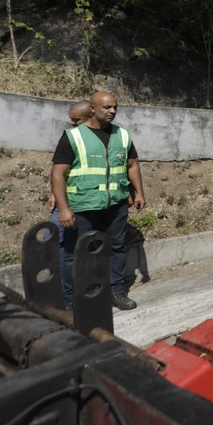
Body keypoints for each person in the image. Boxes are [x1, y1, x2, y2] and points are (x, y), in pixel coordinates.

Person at [51, 91, 146, 311]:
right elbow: (57, 174)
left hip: (116, 206)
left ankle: (116, 292)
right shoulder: (73, 136)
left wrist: (139, 192)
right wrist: (64, 208)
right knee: (72, 253)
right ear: (92, 109)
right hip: (83, 205)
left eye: (115, 107)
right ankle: (70, 300)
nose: (112, 111)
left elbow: (132, 165)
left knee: (116, 248)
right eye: (107, 107)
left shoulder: (122, 135)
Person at [47, 100, 93, 307]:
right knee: (56, 244)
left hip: (83, 204)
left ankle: (71, 297)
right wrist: (56, 195)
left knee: (71, 251)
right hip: (67, 204)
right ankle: (65, 296)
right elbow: (61, 172)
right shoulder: (72, 138)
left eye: (76, 120)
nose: (71, 123)